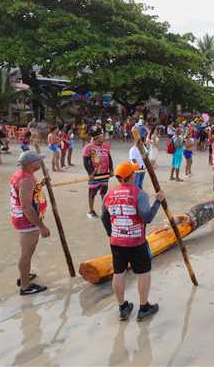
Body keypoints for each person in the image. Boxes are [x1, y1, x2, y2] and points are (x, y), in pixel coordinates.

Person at [101, 161, 164, 321]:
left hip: (116, 241)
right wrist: (158, 201)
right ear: (131, 176)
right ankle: (143, 307)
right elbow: (147, 217)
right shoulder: (139, 193)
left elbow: (104, 217)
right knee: (143, 273)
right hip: (136, 241)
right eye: (134, 173)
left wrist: (111, 232)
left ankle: (122, 307)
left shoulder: (109, 194)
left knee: (119, 273)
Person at [10, 151, 51, 295]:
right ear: (30, 164)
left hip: (26, 219)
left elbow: (30, 194)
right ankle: (25, 286)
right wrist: (41, 226)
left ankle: (24, 275)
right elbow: (26, 206)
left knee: (29, 251)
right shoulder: (26, 180)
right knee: (26, 253)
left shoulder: (25, 176)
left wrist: (40, 185)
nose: (40, 163)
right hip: (26, 220)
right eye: (38, 161)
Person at [83, 128, 113, 218]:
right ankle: (91, 211)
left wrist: (111, 169)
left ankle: (104, 209)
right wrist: (90, 173)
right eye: (102, 136)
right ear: (97, 137)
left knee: (104, 192)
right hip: (94, 176)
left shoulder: (105, 146)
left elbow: (109, 158)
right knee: (92, 193)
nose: (104, 137)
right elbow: (85, 161)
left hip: (105, 174)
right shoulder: (88, 148)